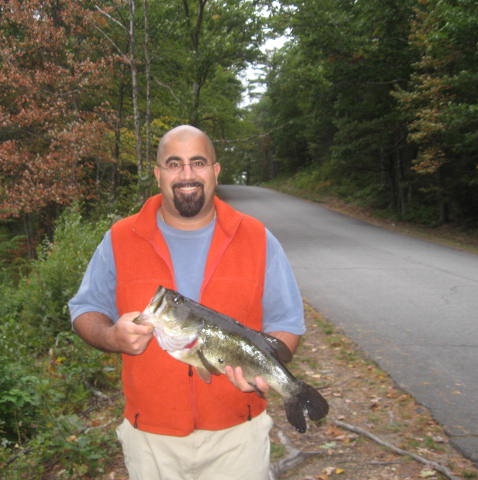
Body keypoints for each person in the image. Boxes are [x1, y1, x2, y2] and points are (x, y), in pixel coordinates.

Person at [68, 125, 305, 480]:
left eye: (198, 162)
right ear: (158, 173)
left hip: (238, 436)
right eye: (175, 164)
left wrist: (262, 377)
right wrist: (110, 338)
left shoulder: (257, 238)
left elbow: (286, 322)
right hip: (150, 439)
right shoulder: (120, 238)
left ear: (215, 171)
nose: (187, 174)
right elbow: (84, 310)